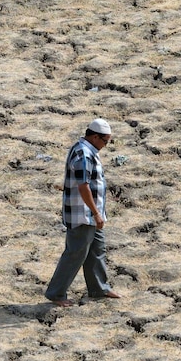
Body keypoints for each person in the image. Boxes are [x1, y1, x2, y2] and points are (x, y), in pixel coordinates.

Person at [45, 118, 122, 307]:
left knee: (97, 250)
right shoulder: (83, 154)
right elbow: (83, 186)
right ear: (95, 136)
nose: (106, 145)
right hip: (83, 215)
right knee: (76, 253)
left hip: (91, 215)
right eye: (105, 141)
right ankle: (56, 293)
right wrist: (95, 213)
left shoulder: (88, 150)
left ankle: (98, 288)